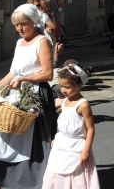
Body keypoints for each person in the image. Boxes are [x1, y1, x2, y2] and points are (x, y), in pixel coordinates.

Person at [0, 3, 57, 189]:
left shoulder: (42, 41)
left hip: (36, 97)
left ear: (33, 21)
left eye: (24, 23)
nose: (20, 28)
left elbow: (48, 74)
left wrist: (24, 78)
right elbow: (13, 73)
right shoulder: (19, 43)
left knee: (35, 143)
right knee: (5, 138)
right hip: (16, 95)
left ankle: (37, 184)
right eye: (16, 24)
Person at [42, 60, 100, 189]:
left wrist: (85, 150)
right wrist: (56, 138)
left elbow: (90, 129)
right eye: (61, 86)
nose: (63, 90)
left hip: (77, 148)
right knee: (55, 173)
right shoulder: (64, 101)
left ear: (79, 85)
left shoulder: (82, 105)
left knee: (75, 177)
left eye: (67, 87)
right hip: (60, 146)